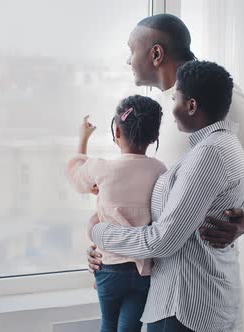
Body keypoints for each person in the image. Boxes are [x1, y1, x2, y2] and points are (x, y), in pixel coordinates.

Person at [87, 13, 244, 271]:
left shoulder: (217, 99)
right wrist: (108, 246)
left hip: (198, 274)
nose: (128, 59)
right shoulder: (156, 109)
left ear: (156, 54)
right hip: (152, 270)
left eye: (132, 50)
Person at [90, 60, 244, 331]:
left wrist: (100, 232)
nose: (171, 107)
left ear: (191, 106)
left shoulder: (209, 155)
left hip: (184, 305)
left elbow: (162, 240)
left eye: (175, 97)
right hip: (206, 299)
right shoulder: (226, 147)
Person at [67, 95, 167, 332]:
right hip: (143, 270)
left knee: (108, 325)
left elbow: (76, 176)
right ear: (154, 136)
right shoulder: (159, 169)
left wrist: (83, 139)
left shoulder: (101, 168)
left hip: (109, 267)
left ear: (118, 133)